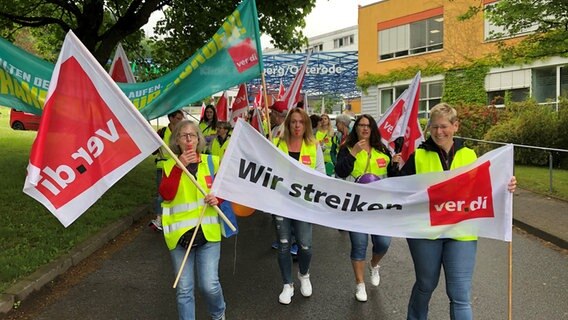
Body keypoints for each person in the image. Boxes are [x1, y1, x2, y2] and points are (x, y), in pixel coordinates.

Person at [393, 103, 517, 320]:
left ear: (455, 126)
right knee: (426, 284)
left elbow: (484, 185)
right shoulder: (419, 155)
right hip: (426, 232)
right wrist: (393, 171)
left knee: (460, 294)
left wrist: (506, 184)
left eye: (443, 126)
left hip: (461, 231)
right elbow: (400, 189)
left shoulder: (470, 155)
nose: (439, 132)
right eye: (434, 127)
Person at [159, 120, 226, 320]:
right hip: (179, 237)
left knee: (209, 285)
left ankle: (218, 312)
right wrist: (181, 166)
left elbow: (224, 190)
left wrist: (218, 198)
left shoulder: (212, 161)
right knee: (184, 290)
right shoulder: (169, 164)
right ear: (176, 141)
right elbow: (167, 194)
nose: (188, 139)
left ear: (199, 140)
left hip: (208, 234)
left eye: (193, 135)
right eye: (183, 135)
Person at [335, 114, 395, 302]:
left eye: (368, 126)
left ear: (373, 129)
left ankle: (374, 265)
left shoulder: (382, 149)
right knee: (359, 245)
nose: (365, 128)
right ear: (356, 128)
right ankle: (360, 283)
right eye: (361, 125)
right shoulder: (347, 148)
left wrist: (396, 165)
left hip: (379, 208)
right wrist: (353, 153)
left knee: (384, 243)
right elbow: (340, 171)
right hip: (356, 206)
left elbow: (392, 177)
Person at [272, 107, 325, 305]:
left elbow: (320, 173)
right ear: (288, 124)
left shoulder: (313, 145)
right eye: (293, 121)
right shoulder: (277, 143)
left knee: (305, 245)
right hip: (281, 204)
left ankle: (304, 274)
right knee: (284, 244)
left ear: (306, 125)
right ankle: (287, 284)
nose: (297, 125)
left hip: (304, 204)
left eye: (301, 122)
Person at [150, 110, 185, 231]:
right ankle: (159, 218)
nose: (180, 121)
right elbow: (153, 151)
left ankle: (174, 217)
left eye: (182, 118)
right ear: (171, 118)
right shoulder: (162, 132)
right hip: (162, 167)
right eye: (178, 118)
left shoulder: (182, 133)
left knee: (177, 193)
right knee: (161, 194)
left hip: (177, 167)